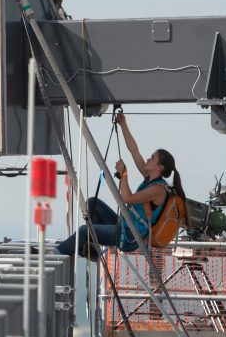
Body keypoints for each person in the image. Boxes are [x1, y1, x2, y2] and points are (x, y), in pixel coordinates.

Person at [56, 110, 187, 259]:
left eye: (152, 158)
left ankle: (54, 254)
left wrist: (124, 174)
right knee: (93, 203)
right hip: (126, 225)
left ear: (160, 168)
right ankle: (91, 246)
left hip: (130, 236)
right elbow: (134, 150)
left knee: (84, 230)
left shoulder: (158, 190)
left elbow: (128, 198)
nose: (148, 159)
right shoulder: (149, 178)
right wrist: (123, 124)